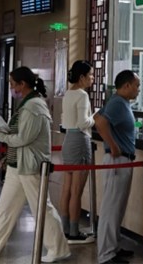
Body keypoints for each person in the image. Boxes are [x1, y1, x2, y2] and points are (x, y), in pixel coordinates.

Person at [0, 67, 70, 264]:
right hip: (17, 165)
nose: (11, 88)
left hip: (29, 166)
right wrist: (6, 155)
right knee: (5, 209)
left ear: (22, 84)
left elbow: (23, 138)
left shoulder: (34, 107)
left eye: (12, 84)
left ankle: (58, 248)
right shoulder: (27, 105)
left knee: (42, 209)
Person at [94, 70, 140, 264]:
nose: (138, 90)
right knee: (111, 208)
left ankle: (113, 247)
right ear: (127, 85)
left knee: (118, 207)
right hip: (117, 160)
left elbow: (97, 115)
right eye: (137, 86)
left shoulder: (121, 102)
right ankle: (106, 254)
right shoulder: (118, 103)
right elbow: (99, 121)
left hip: (124, 160)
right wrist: (113, 145)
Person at [59, 60, 95, 244]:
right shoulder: (82, 95)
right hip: (80, 140)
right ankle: (74, 231)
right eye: (90, 75)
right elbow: (83, 123)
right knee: (76, 191)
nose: (92, 78)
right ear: (82, 77)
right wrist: (95, 117)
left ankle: (65, 228)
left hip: (68, 140)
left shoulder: (68, 93)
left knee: (67, 189)